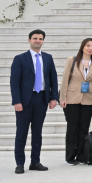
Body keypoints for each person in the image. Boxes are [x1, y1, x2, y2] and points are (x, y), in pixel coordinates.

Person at [10, 29, 59, 174]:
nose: (38, 40)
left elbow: (53, 79)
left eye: (40, 38)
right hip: (25, 100)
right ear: (29, 40)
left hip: (42, 98)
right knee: (22, 133)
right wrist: (16, 101)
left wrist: (54, 97)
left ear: (43, 40)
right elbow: (14, 82)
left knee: (37, 132)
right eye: (35, 38)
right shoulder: (20, 58)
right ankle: (20, 163)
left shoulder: (48, 58)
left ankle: (35, 161)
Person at [59, 37, 92, 165]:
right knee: (72, 128)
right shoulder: (72, 60)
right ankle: (70, 157)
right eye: (88, 45)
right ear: (83, 47)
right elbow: (65, 79)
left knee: (84, 128)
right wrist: (62, 97)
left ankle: (81, 156)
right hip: (71, 98)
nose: (90, 48)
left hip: (88, 99)